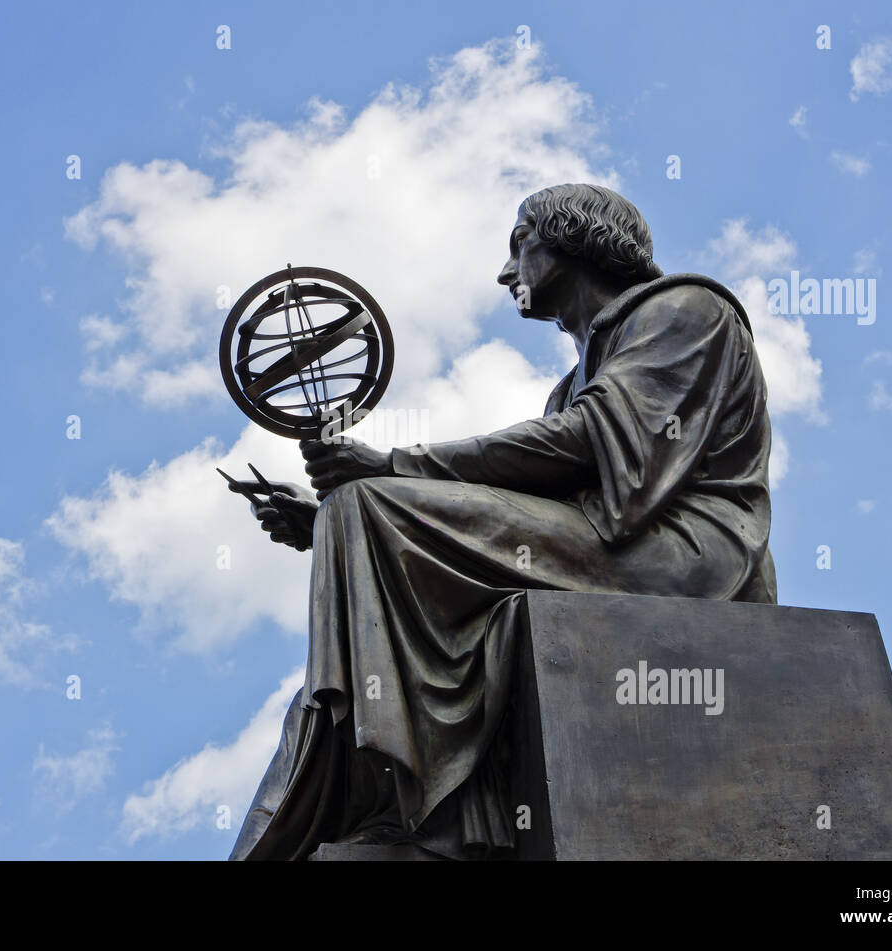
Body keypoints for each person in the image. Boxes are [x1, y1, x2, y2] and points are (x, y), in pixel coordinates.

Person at [228, 183, 777, 860]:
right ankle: (375, 812)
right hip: (595, 546)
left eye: (520, 243)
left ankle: (404, 807)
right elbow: (524, 509)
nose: (506, 270)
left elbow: (589, 444)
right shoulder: (568, 386)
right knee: (351, 525)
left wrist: (391, 466)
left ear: (573, 236)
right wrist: (327, 526)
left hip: (680, 555)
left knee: (367, 504)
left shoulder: (689, 310)